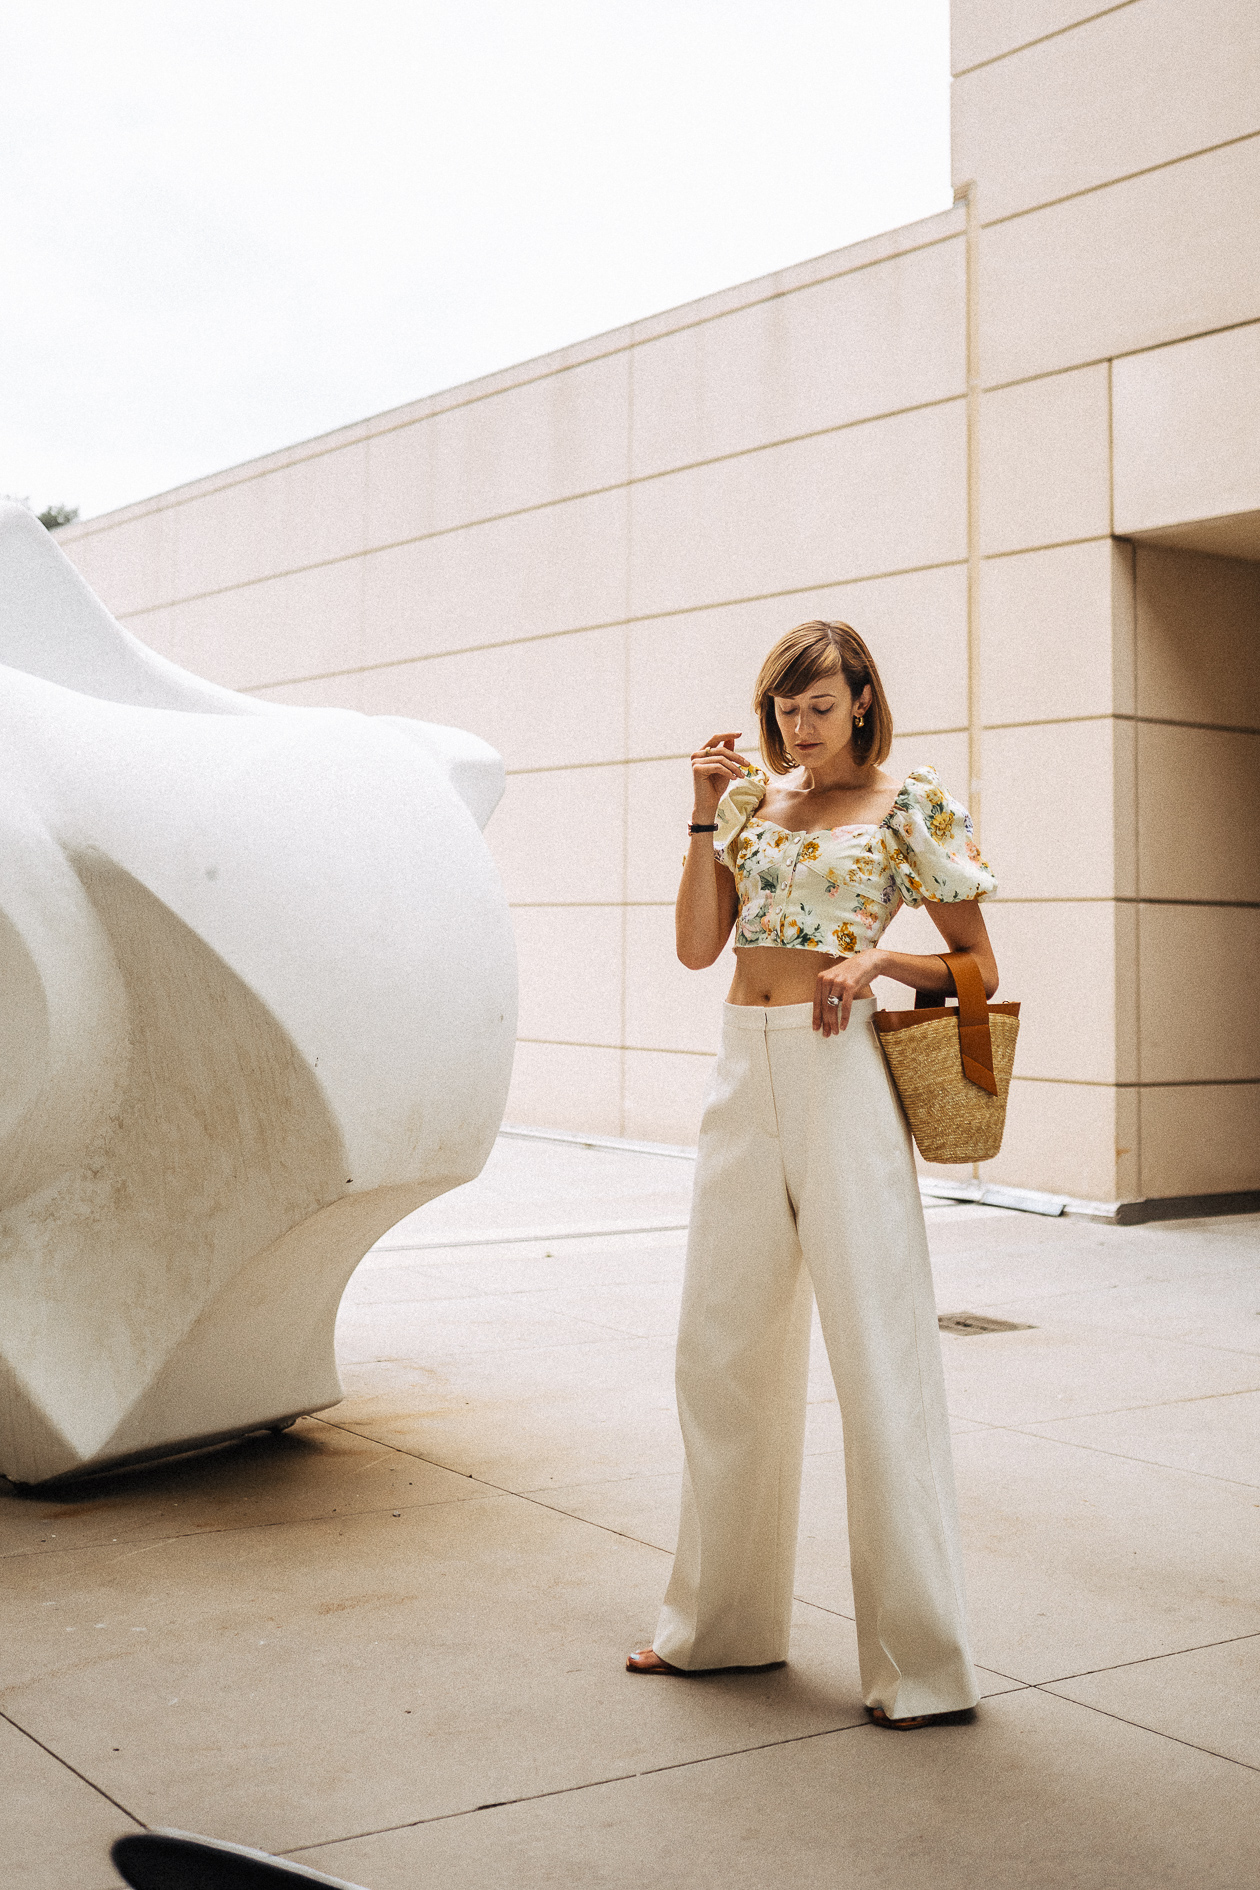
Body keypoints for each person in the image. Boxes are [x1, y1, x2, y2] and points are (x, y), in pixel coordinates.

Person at [627, 619, 998, 1729]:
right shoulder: (749, 806)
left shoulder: (909, 804)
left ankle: (920, 1667)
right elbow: (700, 949)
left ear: (865, 702)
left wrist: (884, 956)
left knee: (879, 1359)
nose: (800, 723)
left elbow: (978, 967)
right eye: (787, 704)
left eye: (821, 704)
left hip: (845, 1074)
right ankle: (718, 1631)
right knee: (720, 1350)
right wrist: (702, 809)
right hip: (744, 1071)